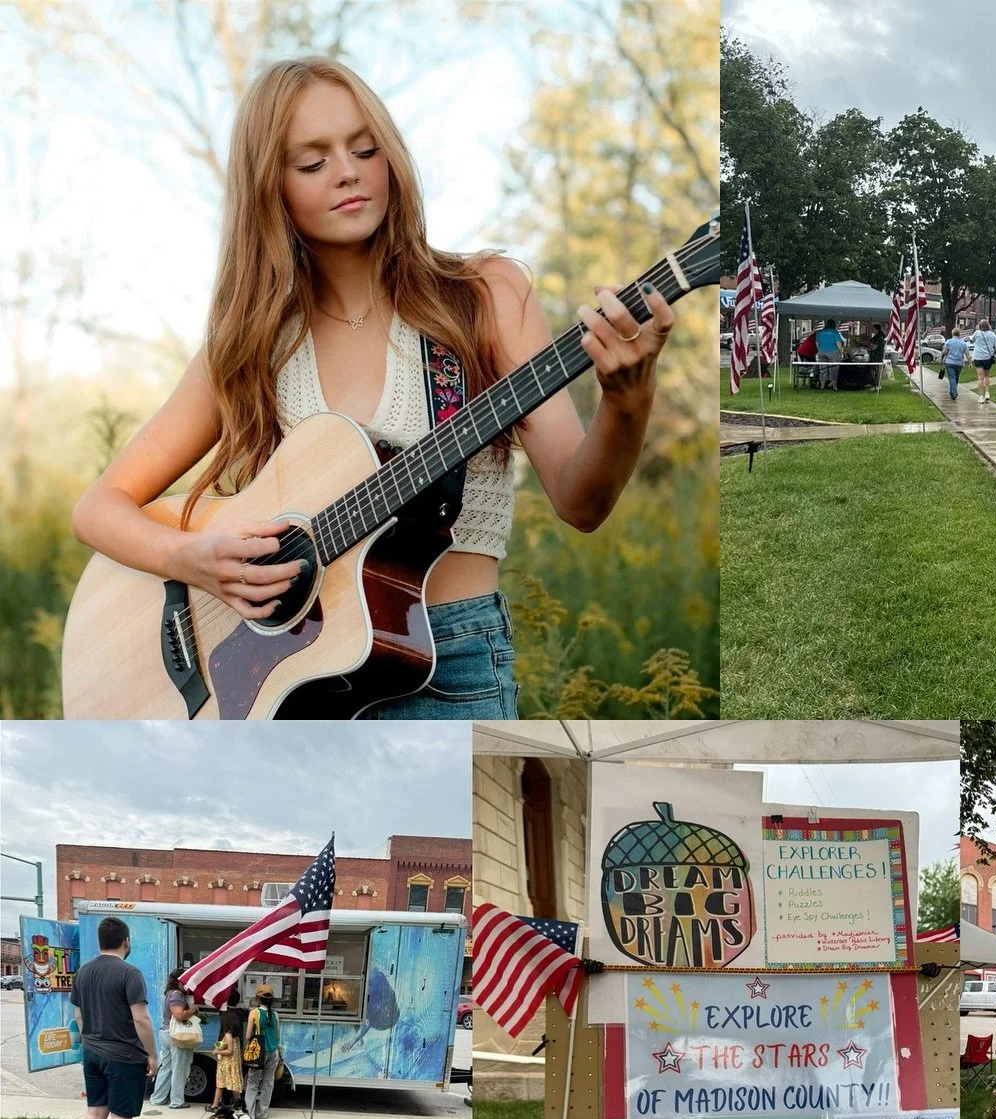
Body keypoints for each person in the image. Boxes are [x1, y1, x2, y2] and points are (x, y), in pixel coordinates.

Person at [69, 56, 674, 720]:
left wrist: (627, 399)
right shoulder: (248, 344)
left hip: (453, 666)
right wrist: (192, 559)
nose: (348, 171)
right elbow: (99, 507)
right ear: (269, 186)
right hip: (288, 682)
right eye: (312, 162)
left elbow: (581, 502)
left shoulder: (483, 297)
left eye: (365, 148)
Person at [70, 918, 158, 1119]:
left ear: (100, 942)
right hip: (124, 1055)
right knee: (121, 1115)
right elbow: (141, 1019)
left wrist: (90, 1042)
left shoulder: (82, 972)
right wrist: (152, 1055)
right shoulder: (129, 973)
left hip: (93, 1052)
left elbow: (79, 1016)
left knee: (95, 1111)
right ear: (126, 941)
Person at [146, 967, 195, 1112]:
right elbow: (179, 1015)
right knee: (179, 1068)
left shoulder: (169, 994)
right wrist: (193, 1010)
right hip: (175, 1035)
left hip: (166, 1033)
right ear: (179, 981)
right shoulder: (177, 995)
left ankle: (158, 1098)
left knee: (166, 1068)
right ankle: (177, 1101)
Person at [244, 985, 283, 1119]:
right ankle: (262, 1113)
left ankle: (250, 1113)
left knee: (253, 1082)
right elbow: (277, 1036)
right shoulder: (275, 1015)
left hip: (258, 1053)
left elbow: (248, 1036)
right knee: (268, 1083)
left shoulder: (254, 1013)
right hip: (273, 1053)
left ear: (257, 998)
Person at [210, 987, 247, 1118]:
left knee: (221, 1082)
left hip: (226, 1056)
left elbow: (228, 1050)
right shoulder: (241, 1013)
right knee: (234, 1081)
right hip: (236, 1054)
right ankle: (240, 1103)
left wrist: (216, 1051)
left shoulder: (224, 1015)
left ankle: (215, 1105)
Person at [969, 319, 996, 403]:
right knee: (986, 376)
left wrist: (969, 338)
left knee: (980, 378)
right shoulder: (992, 334)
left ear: (980, 326)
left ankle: (981, 397)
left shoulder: (977, 333)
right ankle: (987, 393)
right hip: (987, 357)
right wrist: (993, 352)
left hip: (978, 357)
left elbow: (971, 340)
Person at [814, 318, 844, 390]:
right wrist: (841, 352)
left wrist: (819, 351)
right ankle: (834, 386)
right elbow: (838, 343)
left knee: (823, 369)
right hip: (833, 351)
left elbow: (817, 343)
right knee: (833, 369)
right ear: (833, 325)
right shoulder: (834, 332)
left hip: (822, 351)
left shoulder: (819, 332)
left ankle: (822, 386)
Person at [941, 327, 970, 401]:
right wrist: (970, 363)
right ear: (959, 334)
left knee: (952, 377)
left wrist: (942, 356)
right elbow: (967, 354)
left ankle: (953, 392)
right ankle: (953, 392)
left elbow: (945, 352)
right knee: (956, 378)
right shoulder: (963, 343)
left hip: (949, 362)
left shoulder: (949, 342)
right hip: (959, 363)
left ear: (952, 333)